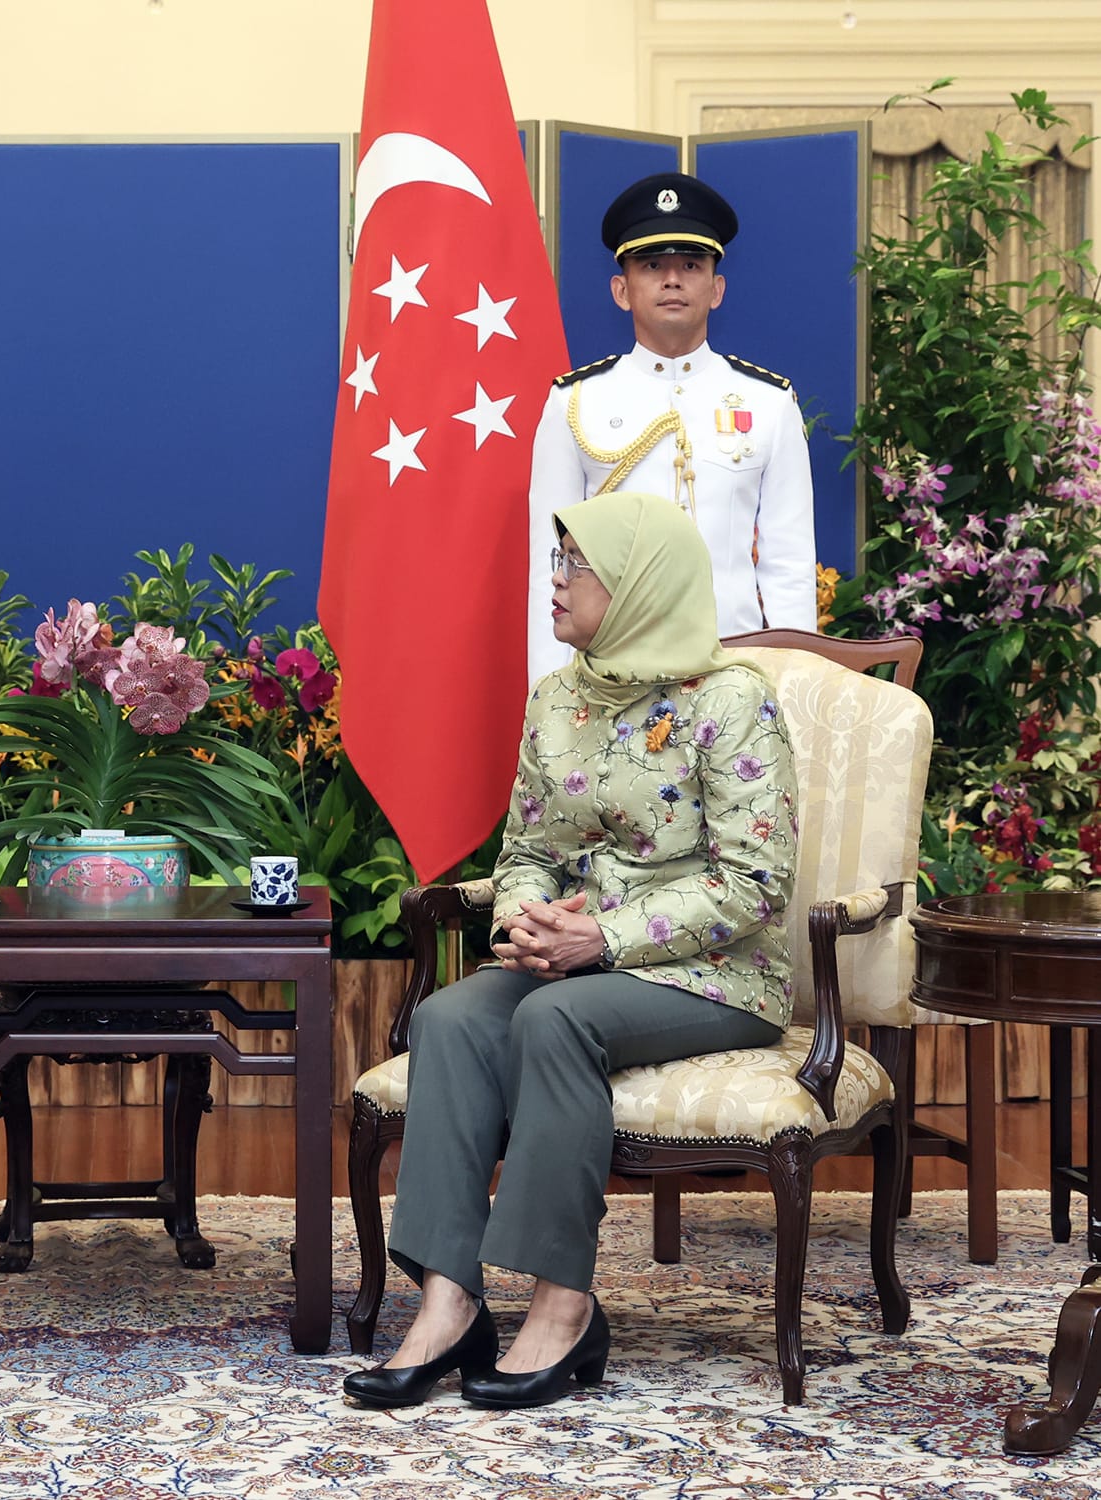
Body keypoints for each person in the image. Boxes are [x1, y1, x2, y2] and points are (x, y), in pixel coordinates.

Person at [344, 489, 799, 1412]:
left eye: (573, 567)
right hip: (577, 962)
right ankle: (449, 1301)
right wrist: (526, 924)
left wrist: (604, 936)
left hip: (716, 973)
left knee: (553, 1019)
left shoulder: (731, 701)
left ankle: (563, 1305)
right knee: (451, 1017)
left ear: (634, 584)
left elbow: (757, 882)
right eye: (555, 564)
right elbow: (530, 852)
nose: (553, 584)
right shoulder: (559, 698)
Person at [525, 172, 816, 684]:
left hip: (737, 671)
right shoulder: (574, 402)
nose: (673, 279)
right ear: (621, 289)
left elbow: (788, 565)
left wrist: (794, 687)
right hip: (611, 678)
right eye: (652, 265)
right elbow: (550, 564)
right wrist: (549, 698)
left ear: (717, 288)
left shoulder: (770, 402)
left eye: (691, 264)